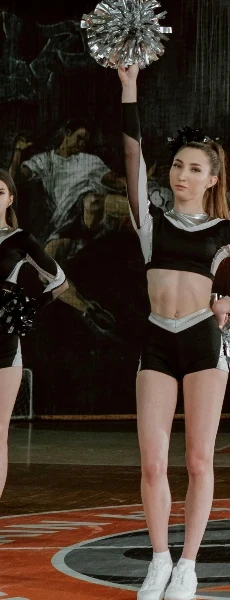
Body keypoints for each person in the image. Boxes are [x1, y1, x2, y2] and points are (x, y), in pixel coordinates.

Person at [118, 64, 230, 600]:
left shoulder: (224, 230)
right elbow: (131, 158)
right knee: (150, 460)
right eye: (178, 166)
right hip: (157, 343)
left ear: (213, 179)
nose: (182, 174)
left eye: (195, 169)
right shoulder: (151, 222)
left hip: (203, 344)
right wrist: (129, 85)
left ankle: (189, 563)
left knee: (197, 460)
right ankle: (159, 559)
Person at [9, 121, 125, 334]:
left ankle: (150, 208)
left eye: (86, 141)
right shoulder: (45, 161)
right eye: (79, 137)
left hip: (90, 215)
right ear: (67, 133)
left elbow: (115, 181)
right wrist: (17, 152)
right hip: (66, 225)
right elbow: (13, 181)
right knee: (44, 271)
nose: (82, 144)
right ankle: (88, 309)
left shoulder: (89, 160)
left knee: (93, 201)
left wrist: (143, 181)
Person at [0, 169, 68, 501]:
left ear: (10, 199)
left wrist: (27, 308)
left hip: (4, 343)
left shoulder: (19, 239)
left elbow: (60, 280)